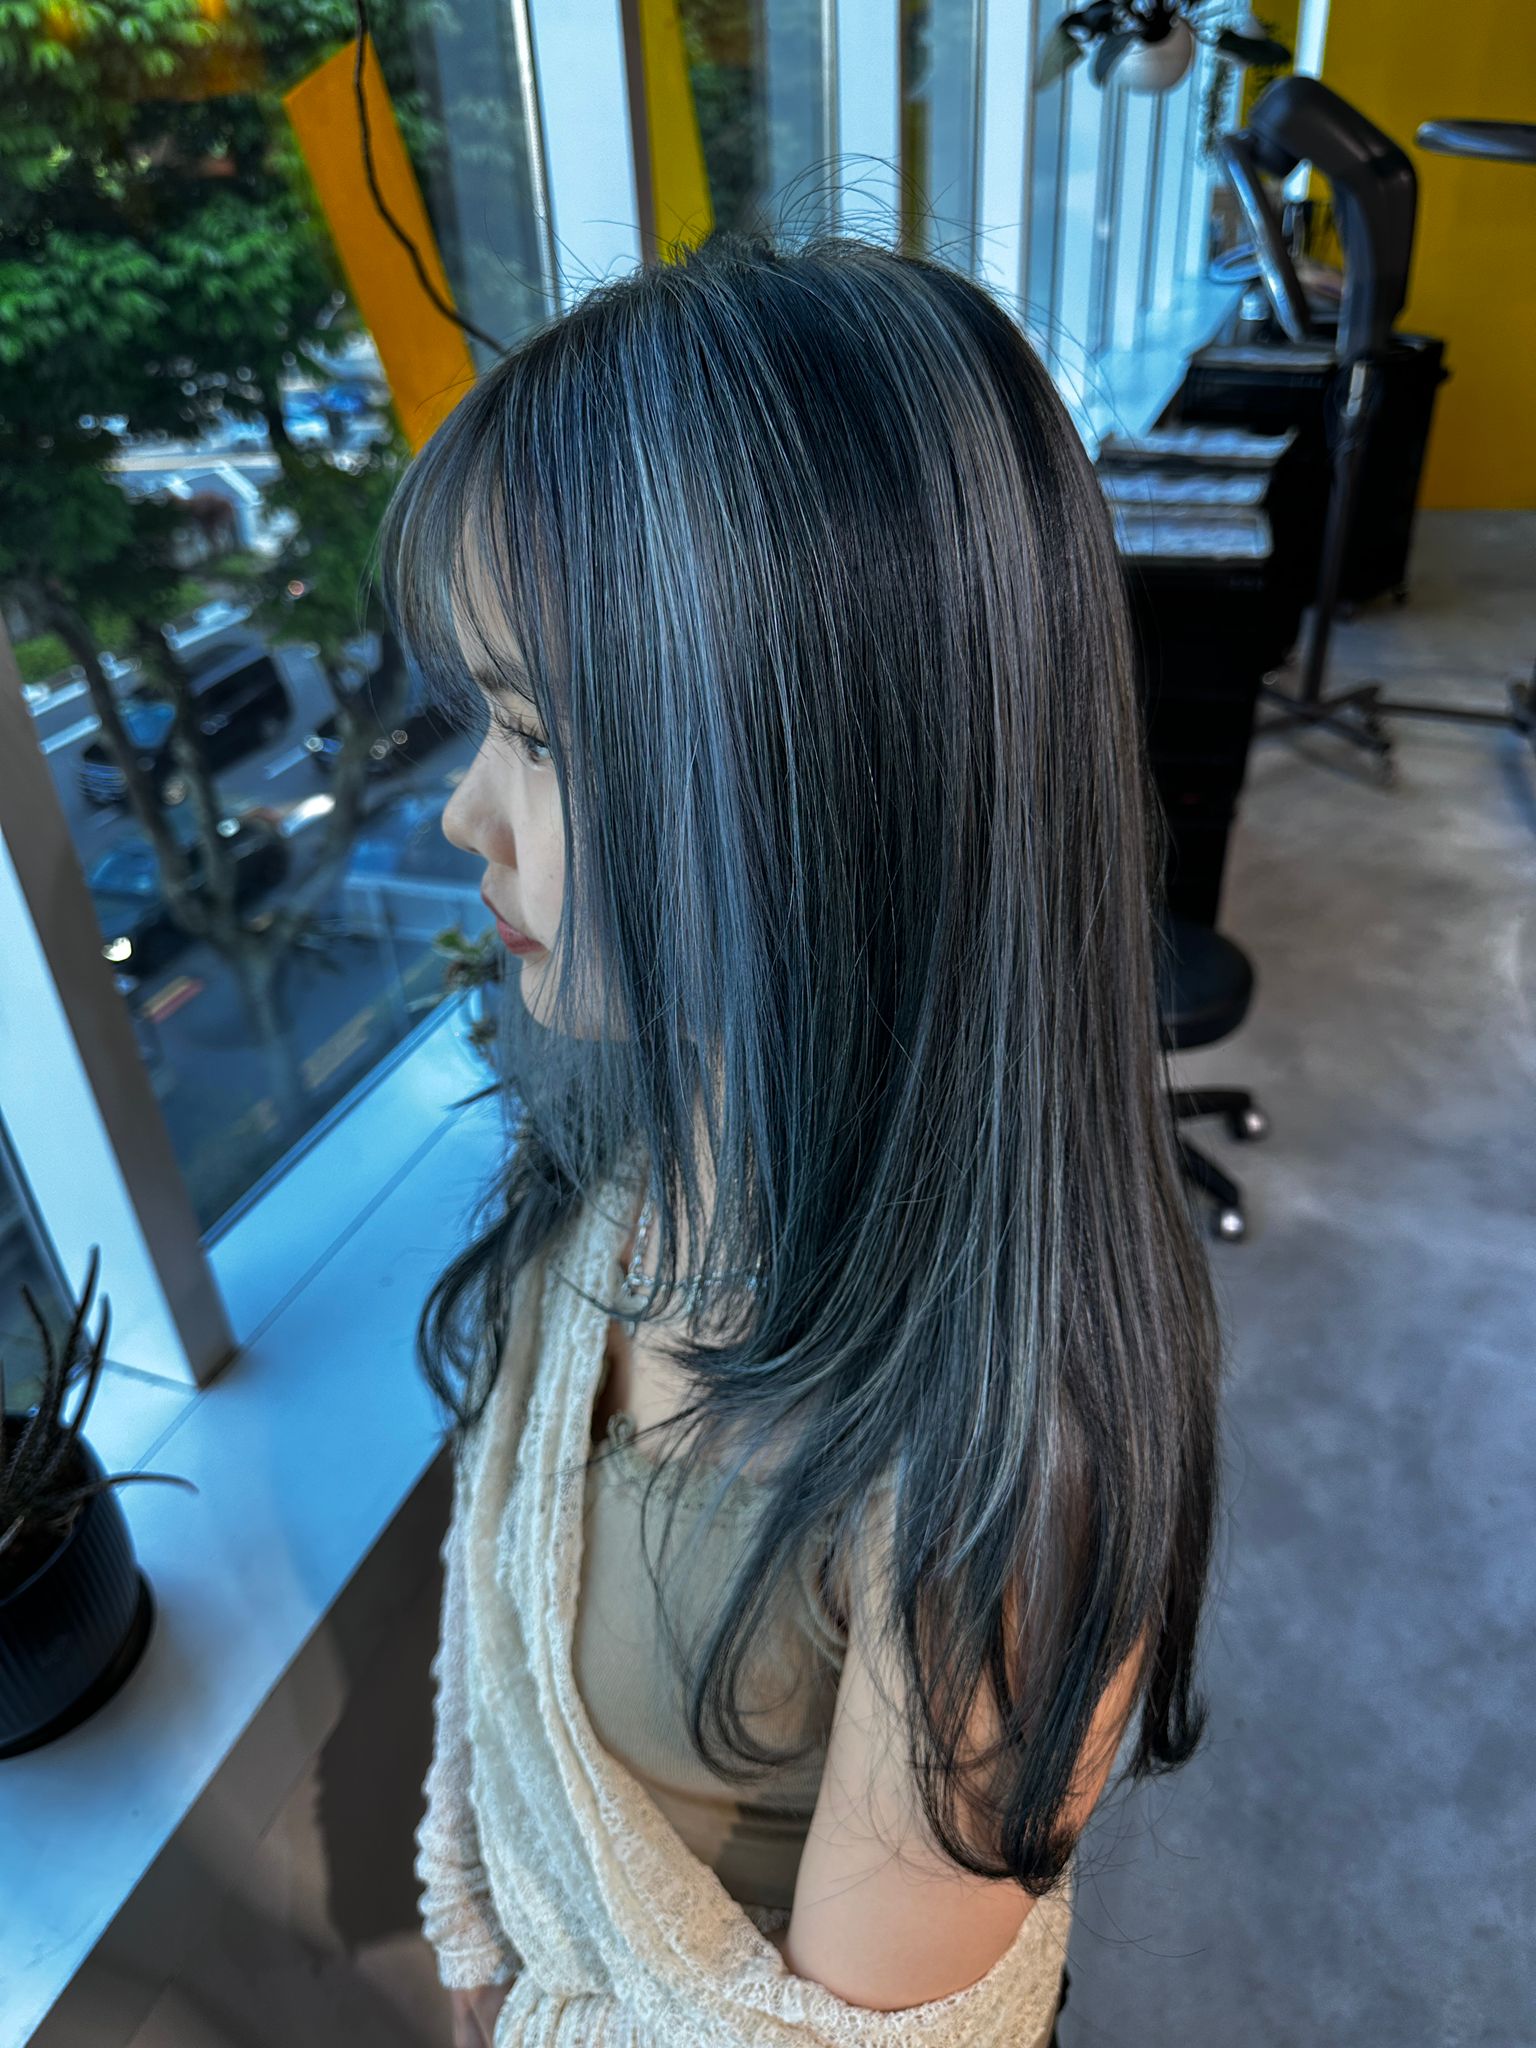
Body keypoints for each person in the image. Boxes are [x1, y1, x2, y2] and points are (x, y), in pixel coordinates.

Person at [377, 229, 1224, 2047]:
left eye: (536, 733)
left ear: (825, 793)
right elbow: (494, 1628)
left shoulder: (1004, 1482)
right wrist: (466, 1937)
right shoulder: (622, 1159)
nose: (465, 813)